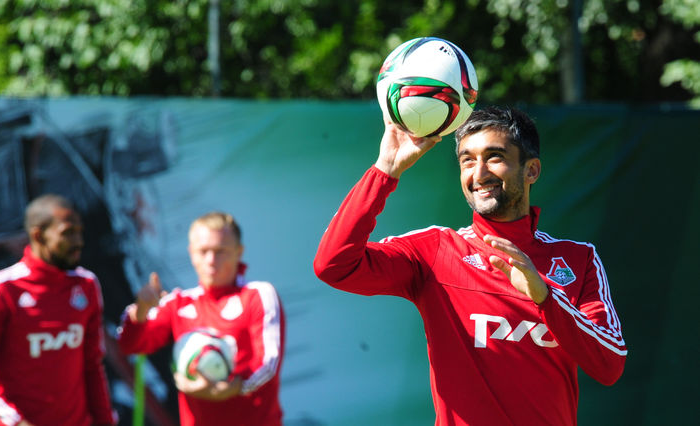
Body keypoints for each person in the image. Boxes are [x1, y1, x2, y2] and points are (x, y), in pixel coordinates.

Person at [313, 106, 627, 425]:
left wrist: (544, 296)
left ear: (531, 170)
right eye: (467, 160)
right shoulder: (435, 251)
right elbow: (334, 265)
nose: (478, 175)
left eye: (494, 157)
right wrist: (385, 169)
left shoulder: (577, 259)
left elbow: (610, 364)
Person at [0, 194, 118, 426]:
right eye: (67, 233)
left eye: (79, 231)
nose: (79, 241)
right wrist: (17, 422)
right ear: (38, 235)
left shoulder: (86, 284)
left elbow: (92, 366)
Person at [117, 212, 285, 426]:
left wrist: (232, 387)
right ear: (191, 253)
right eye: (203, 251)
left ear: (239, 252)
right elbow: (129, 345)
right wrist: (140, 310)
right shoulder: (178, 303)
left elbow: (268, 364)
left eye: (220, 251)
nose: (211, 260)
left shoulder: (258, 294)